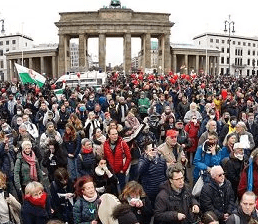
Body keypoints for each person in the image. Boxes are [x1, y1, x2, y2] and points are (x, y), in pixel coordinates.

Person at [138, 142, 167, 207]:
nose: (154, 151)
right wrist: (148, 159)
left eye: (155, 149)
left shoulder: (162, 159)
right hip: (149, 190)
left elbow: (165, 174)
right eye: (151, 149)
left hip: (161, 189)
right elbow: (139, 171)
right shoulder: (143, 160)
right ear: (146, 151)